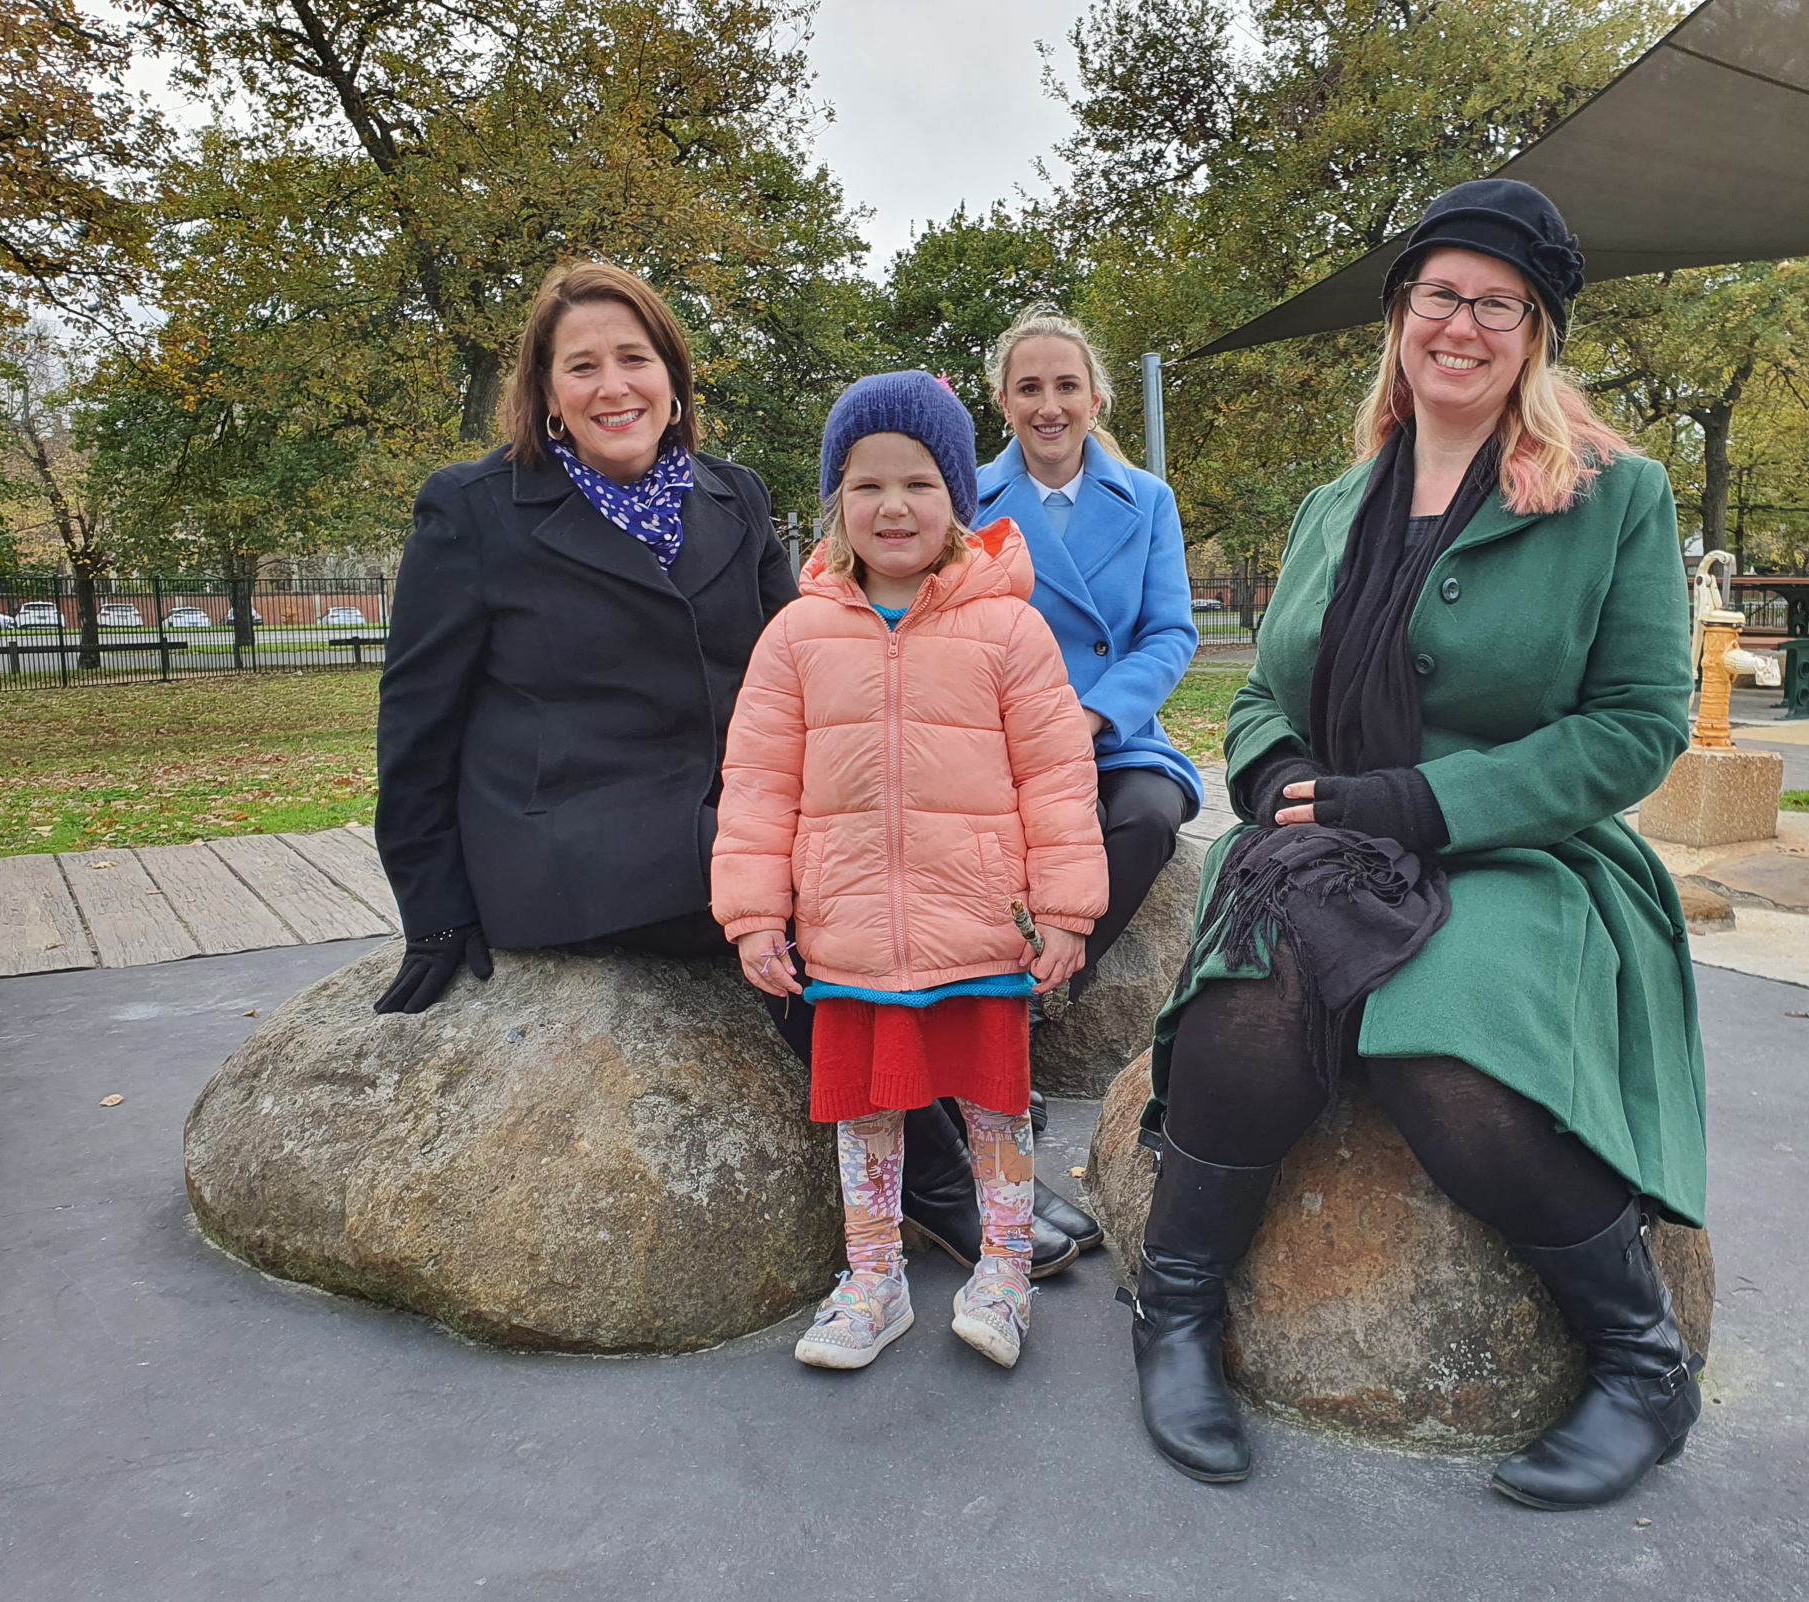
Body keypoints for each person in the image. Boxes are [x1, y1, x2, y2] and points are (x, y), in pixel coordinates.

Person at [1126, 179, 1707, 1507]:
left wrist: (1422, 805)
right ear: (1399, 316)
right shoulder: (1337, 505)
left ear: (1536, 332)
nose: (1462, 323)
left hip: (1516, 846)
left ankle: (1642, 1363)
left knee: (1450, 1050)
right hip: (1327, 835)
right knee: (1250, 1013)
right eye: (1438, 294)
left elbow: (1635, 728)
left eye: (1496, 302)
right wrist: (1276, 768)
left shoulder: (1619, 497)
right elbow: (1270, 688)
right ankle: (1173, 1319)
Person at [712, 370, 1108, 1371]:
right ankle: (873, 1277)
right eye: (865, 484)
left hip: (977, 925)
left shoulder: (1009, 631)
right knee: (866, 1112)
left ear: (959, 501)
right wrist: (756, 915)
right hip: (847, 932)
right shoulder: (795, 636)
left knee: (993, 1109)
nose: (892, 506)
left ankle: (1005, 1269)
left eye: (920, 483)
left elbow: (1057, 775)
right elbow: (757, 781)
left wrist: (1062, 907)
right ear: (836, 502)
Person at [371, 261, 800, 1039]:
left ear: (672, 377)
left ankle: (944, 1106)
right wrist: (431, 909)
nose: (614, 387)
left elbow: (803, 678)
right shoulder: (473, 512)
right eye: (583, 366)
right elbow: (414, 725)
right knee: (808, 897)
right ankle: (932, 1155)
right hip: (568, 839)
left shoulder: (737, 496)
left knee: (877, 863)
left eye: (635, 358)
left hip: (730, 815)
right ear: (546, 395)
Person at [891, 308, 1205, 1268]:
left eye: (1065, 385)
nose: (1049, 404)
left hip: (1107, 732)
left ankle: (1022, 1005)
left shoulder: (1146, 499)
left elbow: (1169, 634)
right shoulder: (968, 498)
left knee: (1147, 816)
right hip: (996, 737)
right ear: (1001, 401)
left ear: (1096, 396)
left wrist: (1095, 716)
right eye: (1028, 387)